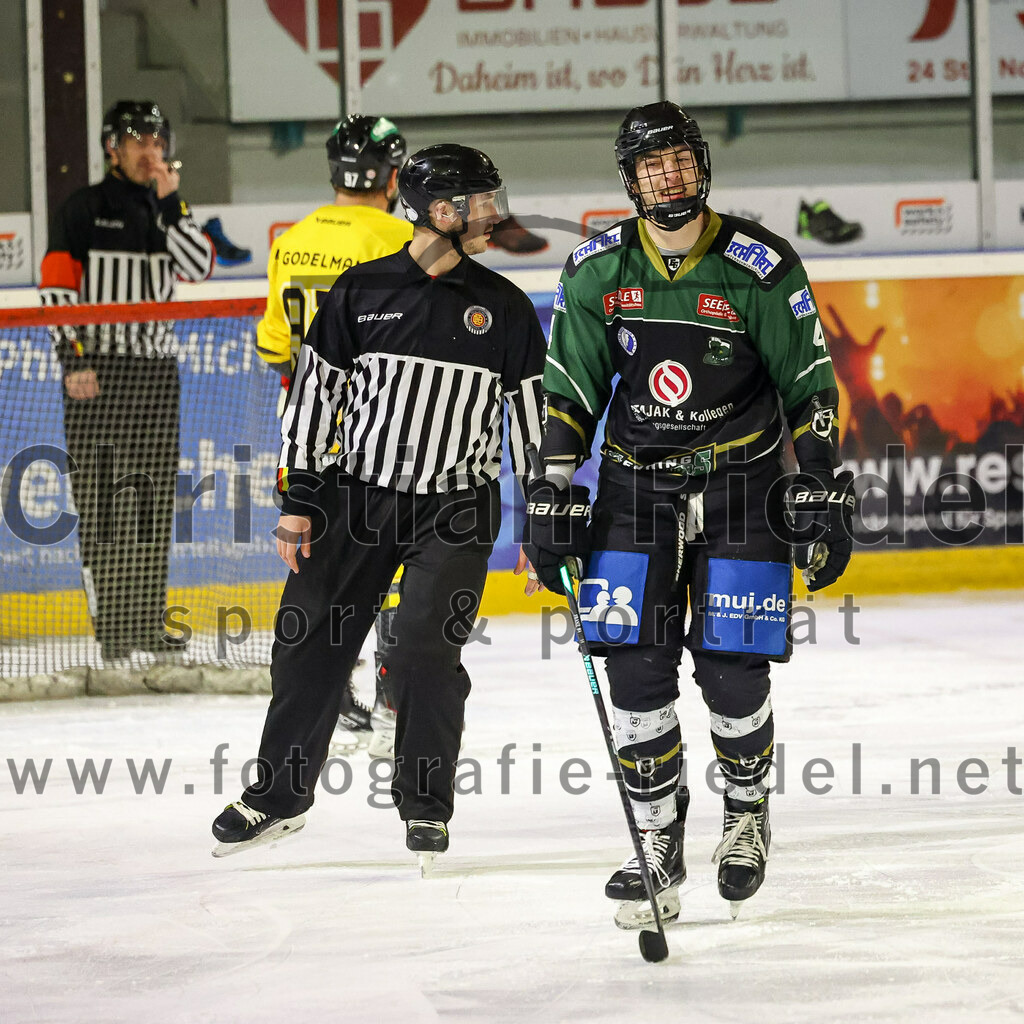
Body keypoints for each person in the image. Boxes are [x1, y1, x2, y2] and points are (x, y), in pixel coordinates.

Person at [525, 101, 856, 927]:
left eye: (679, 160)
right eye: (651, 165)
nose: (668, 176)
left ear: (700, 165)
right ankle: (657, 836)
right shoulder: (598, 269)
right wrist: (551, 487)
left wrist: (818, 481)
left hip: (743, 488)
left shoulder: (759, 265)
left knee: (731, 670)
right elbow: (569, 387)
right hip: (635, 492)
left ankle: (746, 818)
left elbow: (809, 385)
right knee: (632, 667)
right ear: (629, 180)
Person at [212, 144, 545, 869]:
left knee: (426, 651)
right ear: (433, 210)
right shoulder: (359, 292)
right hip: (355, 498)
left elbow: (531, 423)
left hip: (454, 508)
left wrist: (543, 510)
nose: (493, 214)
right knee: (307, 646)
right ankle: (278, 797)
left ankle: (424, 807)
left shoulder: (508, 309)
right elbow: (313, 398)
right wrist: (299, 500)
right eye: (477, 201)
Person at [255, 114, 413, 755]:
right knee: (396, 568)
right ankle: (394, 703)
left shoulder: (291, 239)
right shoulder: (400, 235)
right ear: (395, 175)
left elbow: (274, 346)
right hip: (379, 436)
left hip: (306, 438)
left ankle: (331, 701)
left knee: (320, 575)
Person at [39, 100, 213, 663]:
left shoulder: (168, 208)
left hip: (156, 375)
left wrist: (171, 202)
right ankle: (111, 626)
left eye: (158, 141)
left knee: (153, 502)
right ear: (112, 147)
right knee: (103, 501)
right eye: (138, 140)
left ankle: (144, 620)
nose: (150, 151)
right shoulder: (83, 209)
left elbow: (199, 265)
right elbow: (56, 293)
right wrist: (74, 361)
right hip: (101, 374)